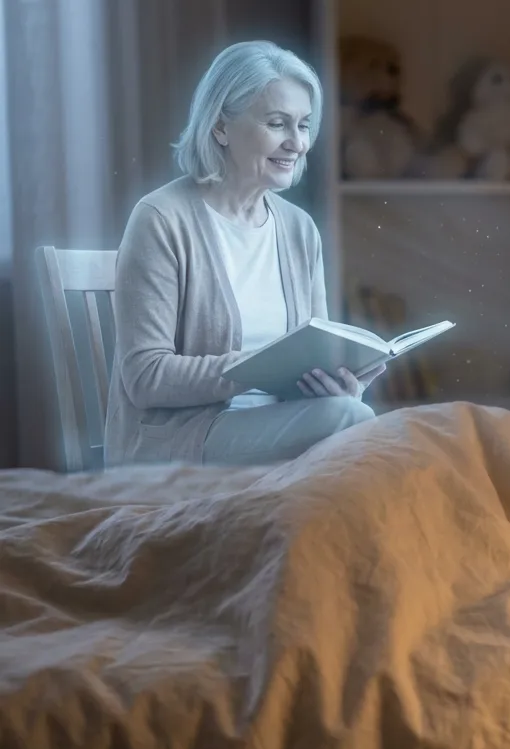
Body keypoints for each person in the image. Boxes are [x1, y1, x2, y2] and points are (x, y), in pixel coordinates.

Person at [104, 40, 386, 468]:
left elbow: (315, 357)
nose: (297, 143)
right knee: (352, 426)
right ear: (220, 128)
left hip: (279, 427)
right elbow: (145, 378)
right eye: (278, 123)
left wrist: (338, 382)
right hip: (176, 444)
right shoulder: (161, 219)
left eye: (304, 125)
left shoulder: (298, 230)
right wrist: (254, 367)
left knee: (353, 414)